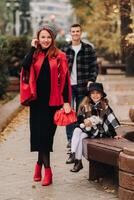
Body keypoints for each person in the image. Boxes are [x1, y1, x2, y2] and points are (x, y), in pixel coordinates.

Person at [21, 23, 72, 186]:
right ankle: (45, 170)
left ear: (53, 39)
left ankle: (41, 168)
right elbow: (25, 67)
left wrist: (66, 102)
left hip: (53, 103)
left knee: (46, 137)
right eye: (42, 37)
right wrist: (31, 48)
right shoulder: (34, 54)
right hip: (37, 102)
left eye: (48, 37)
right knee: (39, 136)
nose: (45, 40)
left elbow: (65, 81)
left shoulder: (59, 56)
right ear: (38, 38)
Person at [66, 82, 122, 172]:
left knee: (78, 133)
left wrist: (114, 134)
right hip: (87, 130)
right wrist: (84, 121)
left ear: (101, 95)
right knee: (77, 132)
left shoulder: (104, 106)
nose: (95, 95)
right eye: (93, 93)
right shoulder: (85, 105)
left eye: (98, 93)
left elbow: (110, 120)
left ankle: (75, 158)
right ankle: (76, 159)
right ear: (89, 94)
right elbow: (79, 120)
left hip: (98, 132)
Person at [61, 23, 98, 151]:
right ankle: (71, 140)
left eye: (77, 31)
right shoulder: (64, 49)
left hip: (83, 86)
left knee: (81, 113)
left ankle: (80, 137)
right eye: (73, 31)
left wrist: (91, 80)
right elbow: (59, 68)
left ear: (80, 33)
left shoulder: (88, 48)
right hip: (68, 87)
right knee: (69, 113)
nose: (75, 33)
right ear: (70, 33)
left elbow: (94, 66)